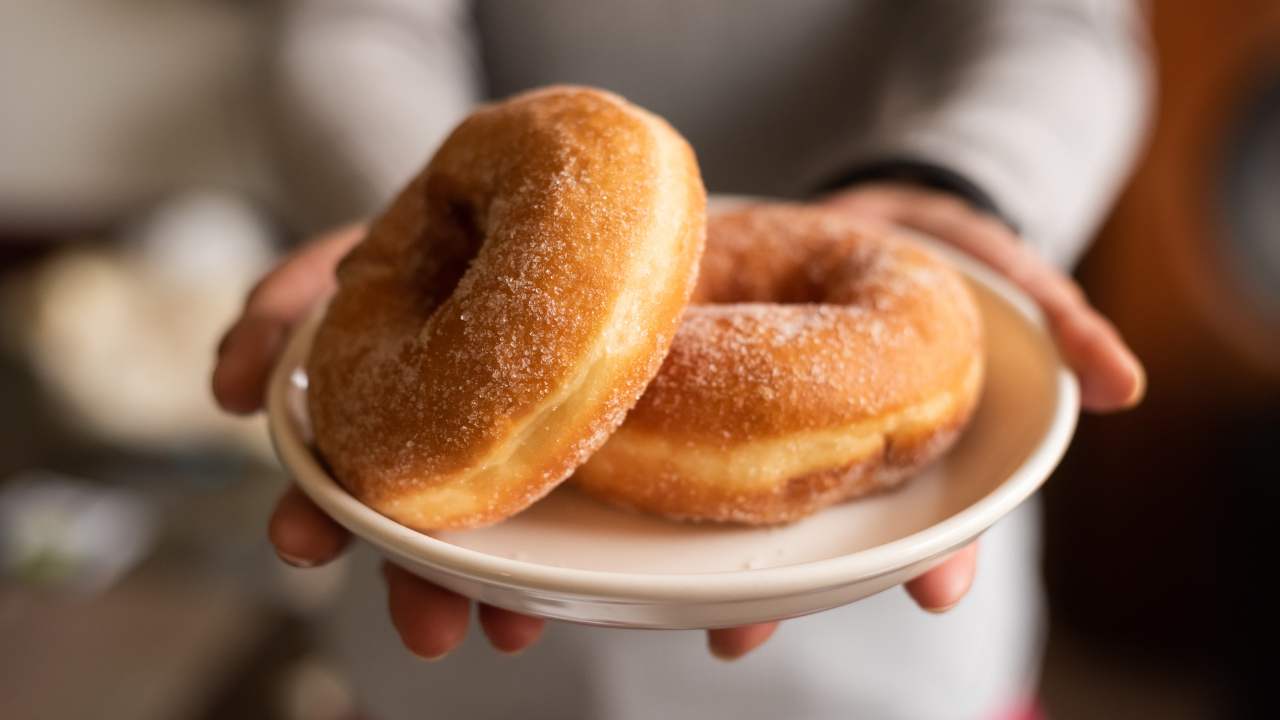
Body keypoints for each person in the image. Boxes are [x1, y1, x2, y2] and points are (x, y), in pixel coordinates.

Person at [213, 1, 1149, 717]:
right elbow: (351, 25)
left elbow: (1063, 22)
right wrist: (432, 224)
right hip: (468, 643)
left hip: (889, 656)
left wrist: (959, 176)